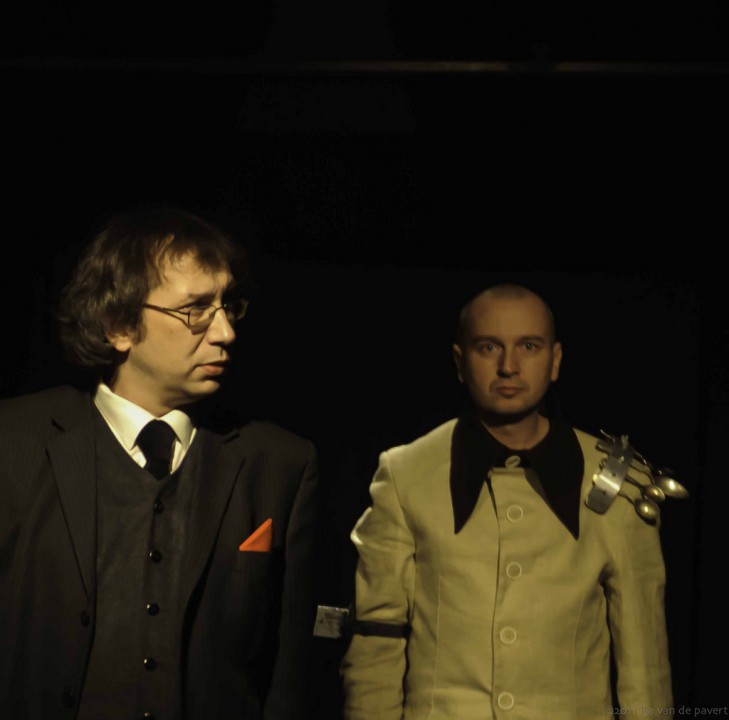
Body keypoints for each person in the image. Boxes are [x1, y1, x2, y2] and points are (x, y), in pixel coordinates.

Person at [0, 207, 319, 720]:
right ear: (119, 325)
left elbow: (290, 678)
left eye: (228, 306)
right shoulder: (14, 443)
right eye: (195, 309)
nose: (225, 332)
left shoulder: (279, 463)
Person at [341, 284, 673, 719]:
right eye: (489, 347)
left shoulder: (619, 484)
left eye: (528, 346)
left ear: (555, 360)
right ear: (460, 362)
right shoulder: (407, 475)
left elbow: (644, 665)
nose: (508, 367)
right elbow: (376, 642)